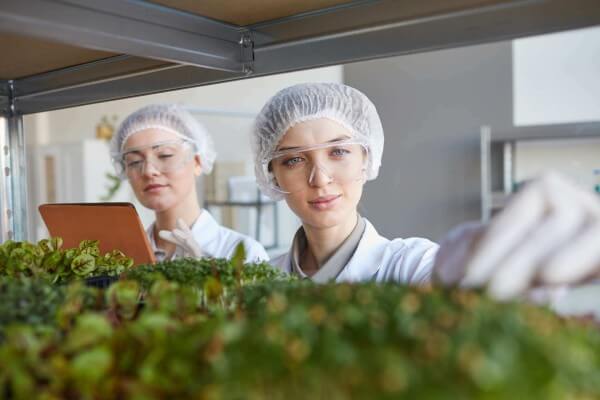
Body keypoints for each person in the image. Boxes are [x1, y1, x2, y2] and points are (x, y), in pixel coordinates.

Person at [251, 82, 600, 301]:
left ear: (366, 158)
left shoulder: (410, 263)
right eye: (294, 160)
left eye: (338, 152)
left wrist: (482, 262)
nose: (320, 178)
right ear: (273, 176)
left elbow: (453, 290)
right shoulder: (260, 281)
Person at [111, 104, 268, 263]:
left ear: (197, 162)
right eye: (134, 162)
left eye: (165, 155)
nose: (148, 171)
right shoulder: (123, 258)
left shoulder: (244, 253)